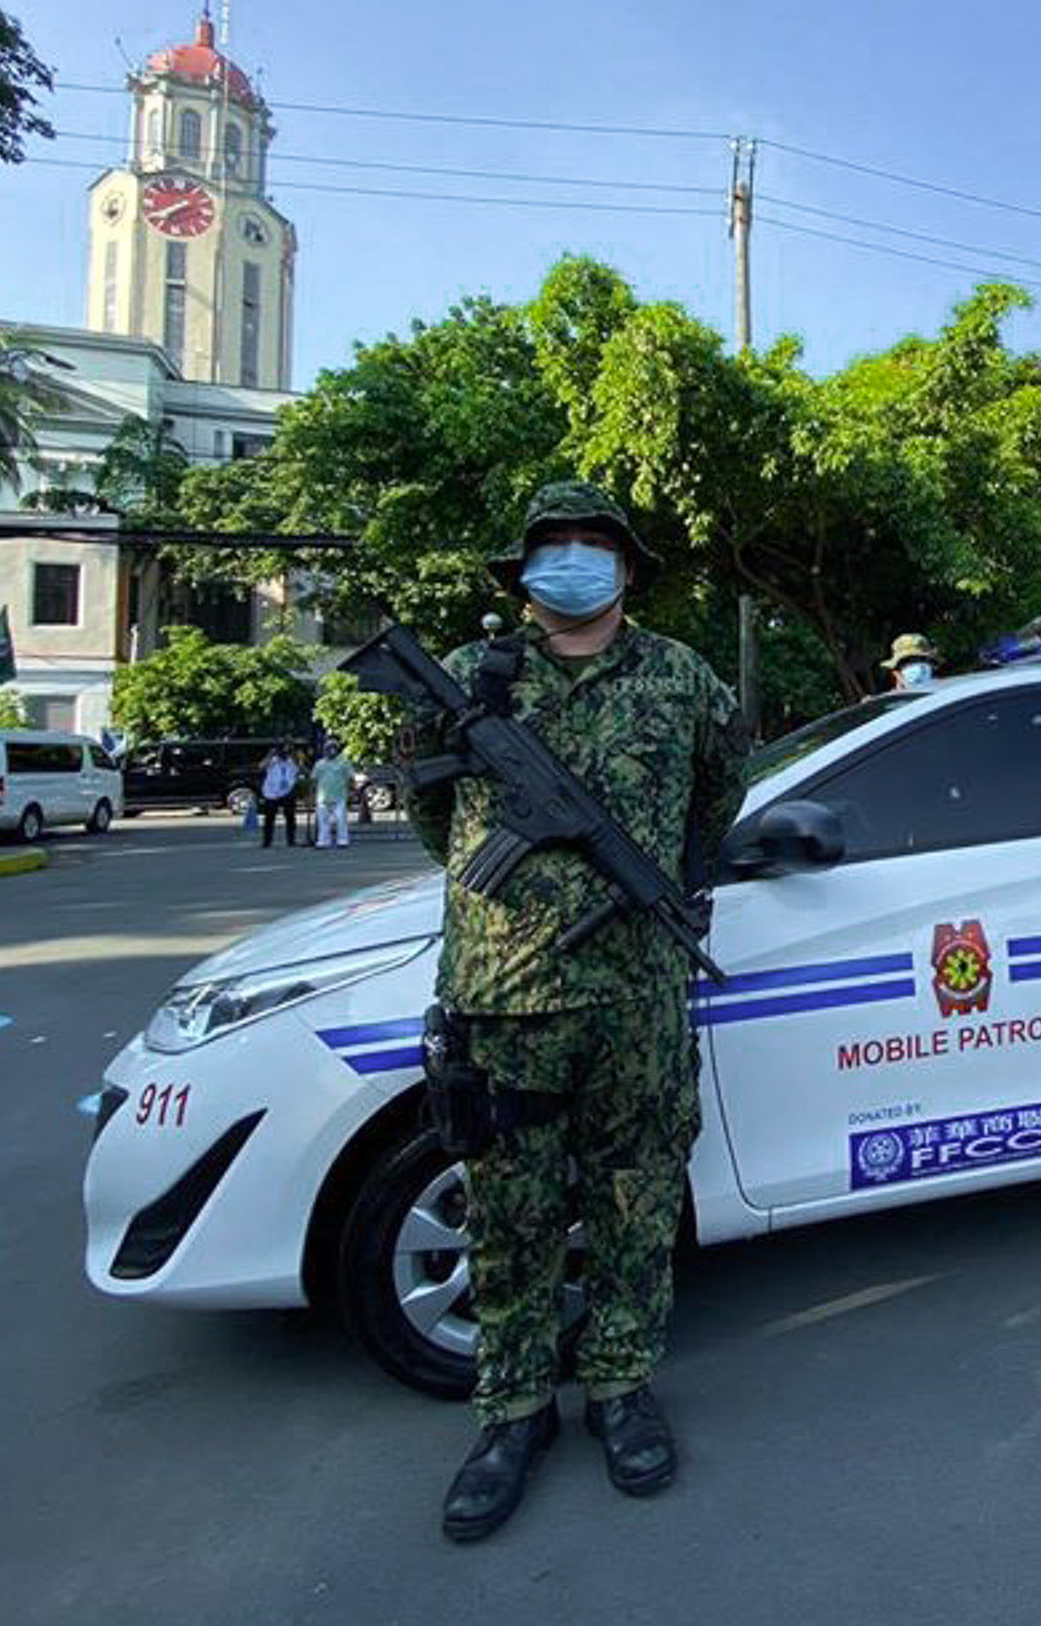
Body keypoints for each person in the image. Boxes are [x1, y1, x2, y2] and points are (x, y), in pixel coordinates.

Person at [411, 480, 744, 1544]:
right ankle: (510, 1413)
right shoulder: (471, 678)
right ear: (522, 572)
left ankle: (619, 1385)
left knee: (636, 1201)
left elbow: (717, 797)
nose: (571, 561)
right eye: (550, 546)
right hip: (504, 996)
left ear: (626, 567)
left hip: (639, 992)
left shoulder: (680, 675)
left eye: (591, 545)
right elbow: (433, 813)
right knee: (509, 1217)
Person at [255, 742, 301, 848]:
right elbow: (261, 766)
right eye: (282, 752)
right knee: (269, 818)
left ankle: (291, 840)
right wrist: (271, 754)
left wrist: (296, 756)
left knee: (290, 817)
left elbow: (300, 769)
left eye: (286, 752)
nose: (284, 755)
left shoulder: (291, 762)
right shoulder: (272, 761)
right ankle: (267, 841)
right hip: (272, 793)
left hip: (287, 792)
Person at [310, 740, 354, 848]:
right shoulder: (319, 764)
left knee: (341, 820)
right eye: (328, 748)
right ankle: (323, 841)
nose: (331, 750)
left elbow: (350, 778)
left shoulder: (344, 762)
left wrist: (351, 792)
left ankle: (342, 840)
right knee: (323, 821)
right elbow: (314, 780)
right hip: (322, 797)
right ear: (324, 750)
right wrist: (311, 795)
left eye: (333, 748)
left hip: (339, 795)